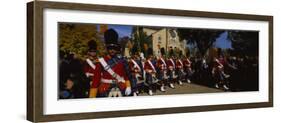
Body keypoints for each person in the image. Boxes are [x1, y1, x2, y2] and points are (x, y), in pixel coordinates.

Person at [91, 29, 132, 97]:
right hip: (105, 89)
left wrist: (128, 86)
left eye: (114, 48)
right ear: (107, 48)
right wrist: (92, 96)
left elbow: (125, 75)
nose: (112, 50)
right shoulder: (101, 62)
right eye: (110, 48)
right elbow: (95, 80)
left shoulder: (121, 61)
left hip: (121, 87)